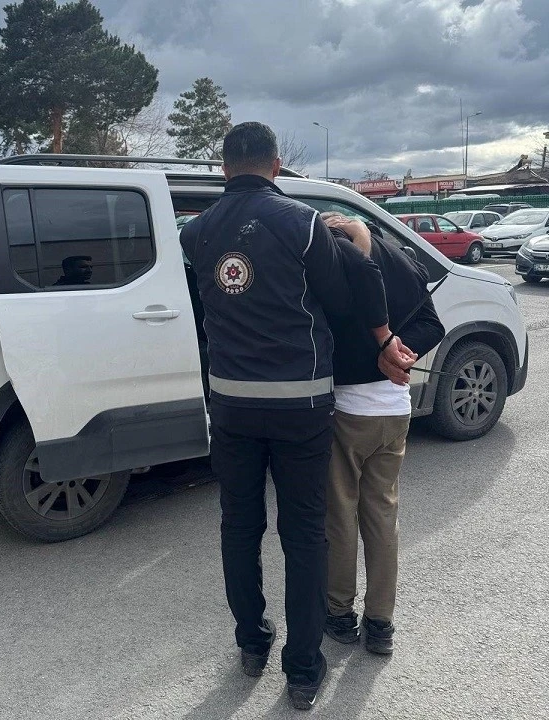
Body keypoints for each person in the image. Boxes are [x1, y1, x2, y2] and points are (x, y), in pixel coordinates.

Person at [180, 122, 416, 710]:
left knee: (239, 524)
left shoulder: (196, 233)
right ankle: (304, 670)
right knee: (305, 532)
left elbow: (202, 308)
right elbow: (344, 293)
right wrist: (380, 331)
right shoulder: (304, 223)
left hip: (230, 403)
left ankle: (251, 642)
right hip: (300, 404)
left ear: (224, 167)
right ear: (276, 165)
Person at [320, 212, 445, 654]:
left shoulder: (338, 268)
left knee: (340, 515)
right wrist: (398, 355)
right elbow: (432, 324)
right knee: (383, 516)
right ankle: (381, 624)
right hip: (396, 411)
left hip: (348, 410)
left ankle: (339, 614)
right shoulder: (405, 262)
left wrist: (379, 354)